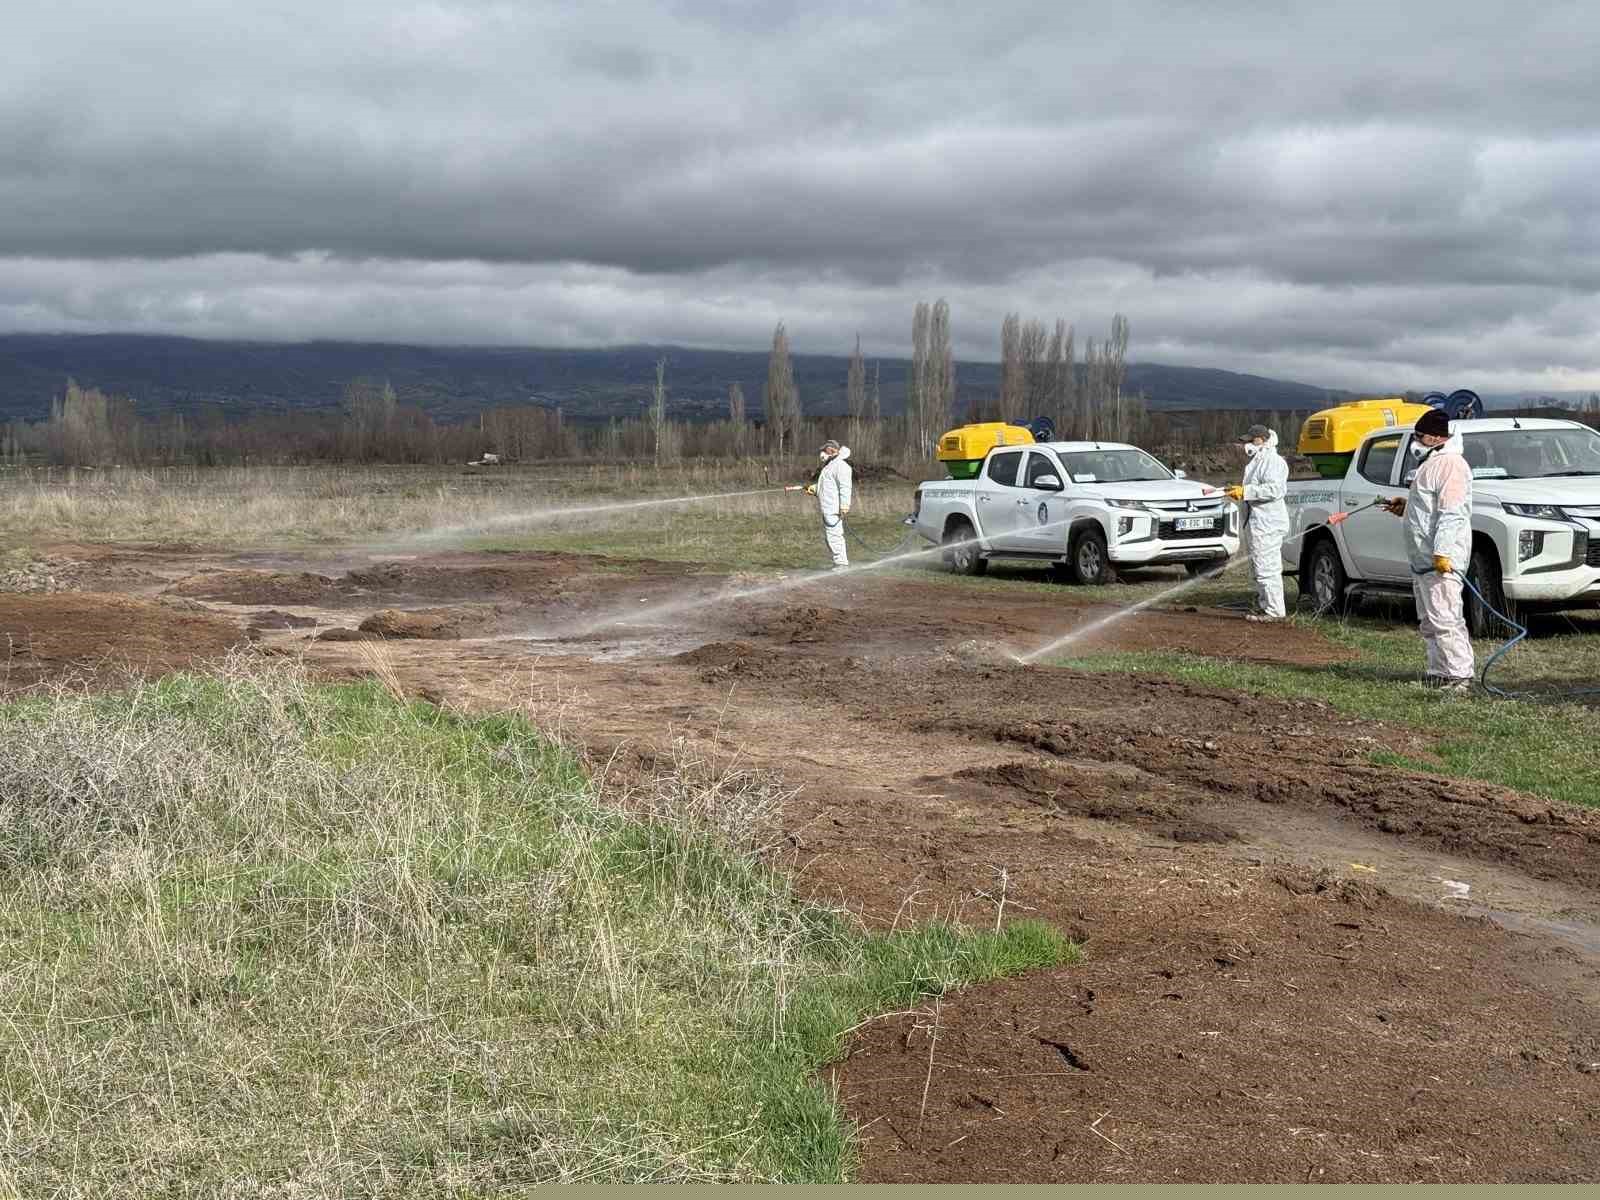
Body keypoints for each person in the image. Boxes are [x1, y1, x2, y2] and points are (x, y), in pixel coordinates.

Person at [1381, 408, 1474, 691]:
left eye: (1419, 436)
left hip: (1441, 558)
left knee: (1446, 618)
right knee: (1429, 620)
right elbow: (1429, 507)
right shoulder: (1432, 462)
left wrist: (1442, 551)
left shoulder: (1451, 465)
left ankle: (1459, 676)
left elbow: (1452, 512)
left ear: (1435, 437)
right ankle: (1438, 672)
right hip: (1423, 557)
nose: (1416, 442)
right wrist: (1406, 508)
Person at [1224, 424, 1289, 622]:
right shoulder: (1258, 460)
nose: (1247, 444)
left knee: (1267, 567)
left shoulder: (1273, 461)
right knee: (1259, 567)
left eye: (1251, 440)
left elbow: (1275, 490)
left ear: (1262, 439)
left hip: (1268, 523)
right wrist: (1240, 492)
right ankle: (1265, 606)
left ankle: (1274, 611)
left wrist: (1246, 492)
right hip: (1258, 523)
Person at [806, 440, 853, 569]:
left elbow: (845, 488)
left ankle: (842, 564)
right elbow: (828, 486)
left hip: (834, 508)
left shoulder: (841, 466)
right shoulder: (830, 465)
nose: (822, 453)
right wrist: (815, 489)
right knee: (830, 537)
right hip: (827, 507)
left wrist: (844, 506)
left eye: (825, 450)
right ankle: (839, 562)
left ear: (832, 450)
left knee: (834, 536)